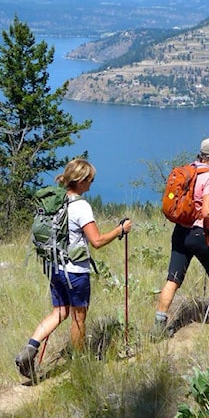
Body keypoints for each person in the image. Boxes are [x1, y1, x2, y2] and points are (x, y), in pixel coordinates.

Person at [15, 159, 131, 379]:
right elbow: (96, 241)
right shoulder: (81, 206)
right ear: (81, 181)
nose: (92, 184)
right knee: (79, 318)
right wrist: (120, 230)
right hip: (75, 272)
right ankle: (80, 366)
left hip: (54, 267)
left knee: (59, 312)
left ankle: (30, 348)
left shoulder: (55, 202)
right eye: (90, 180)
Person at [150, 137, 209, 337]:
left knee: (173, 278)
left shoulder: (188, 170)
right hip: (201, 234)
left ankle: (159, 326)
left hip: (180, 232)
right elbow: (207, 212)